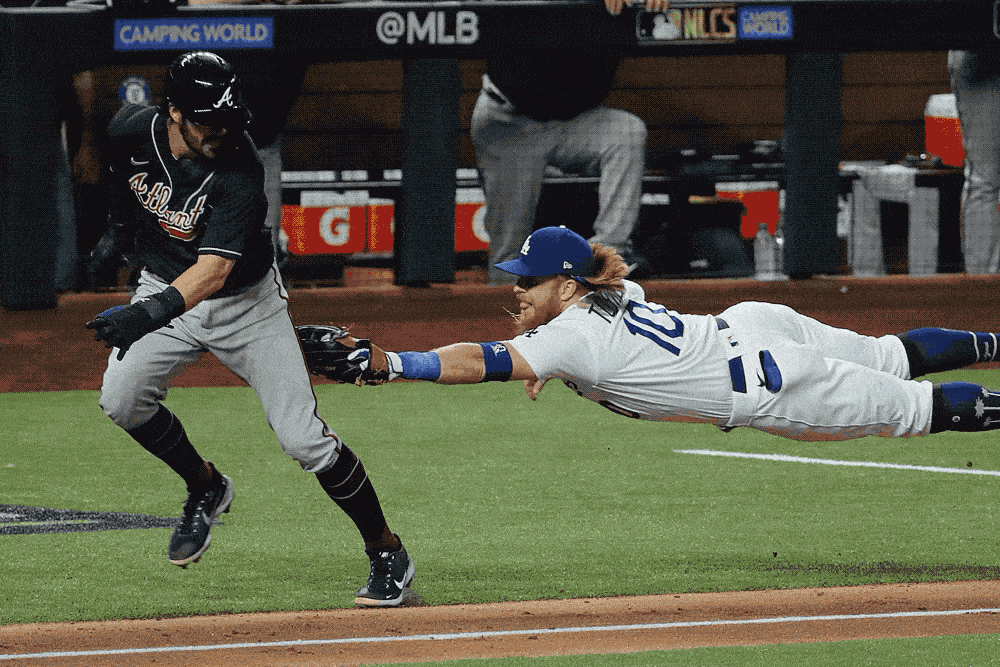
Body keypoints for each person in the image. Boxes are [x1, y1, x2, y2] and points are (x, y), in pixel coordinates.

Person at [84, 51, 414, 607]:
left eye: (225, 117)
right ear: (172, 113)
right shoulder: (129, 129)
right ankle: (205, 485)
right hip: (164, 284)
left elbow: (211, 273)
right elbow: (123, 179)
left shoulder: (240, 167)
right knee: (121, 399)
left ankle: (386, 549)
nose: (220, 130)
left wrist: (141, 314)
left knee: (303, 439)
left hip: (244, 305)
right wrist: (117, 233)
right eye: (206, 119)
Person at [310, 225, 1000, 440]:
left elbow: (474, 361)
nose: (516, 288)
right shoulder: (613, 292)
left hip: (768, 382)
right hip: (756, 325)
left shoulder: (572, 333)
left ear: (569, 284)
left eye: (531, 278)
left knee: (917, 408)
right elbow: (594, 340)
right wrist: (551, 362)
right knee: (892, 353)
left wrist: (394, 362)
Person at [471, 0, 667, 285]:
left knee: (626, 132)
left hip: (573, 122)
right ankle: (505, 321)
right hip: (512, 121)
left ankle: (604, 258)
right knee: (508, 253)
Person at [948, 49, 1000, 275]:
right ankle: (982, 285)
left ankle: (982, 284)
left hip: (976, 46)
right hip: (979, 49)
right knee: (984, 181)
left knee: (983, 182)